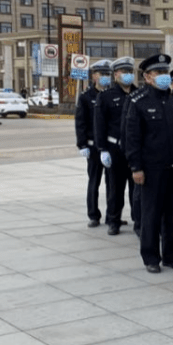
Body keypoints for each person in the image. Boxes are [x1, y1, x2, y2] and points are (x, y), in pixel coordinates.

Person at [125, 54, 173, 274]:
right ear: (147, 77)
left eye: (166, 73)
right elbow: (132, 138)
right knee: (151, 215)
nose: (164, 77)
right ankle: (151, 257)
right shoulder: (139, 102)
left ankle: (172, 256)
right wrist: (136, 167)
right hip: (151, 170)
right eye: (159, 73)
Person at [95, 57, 137, 235]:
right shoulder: (106, 96)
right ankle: (113, 220)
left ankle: (139, 222)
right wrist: (102, 149)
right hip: (115, 149)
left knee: (137, 190)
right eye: (123, 72)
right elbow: (100, 125)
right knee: (115, 188)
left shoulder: (139, 94)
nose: (127, 75)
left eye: (130, 72)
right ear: (116, 74)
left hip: (135, 150)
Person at [76, 61, 111, 227]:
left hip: (110, 146)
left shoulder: (112, 94)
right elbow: (80, 122)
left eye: (107, 74)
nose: (105, 77)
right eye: (101, 74)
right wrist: (82, 144)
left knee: (112, 183)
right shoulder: (86, 96)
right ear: (94, 76)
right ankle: (93, 215)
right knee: (94, 181)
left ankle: (113, 215)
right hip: (93, 146)